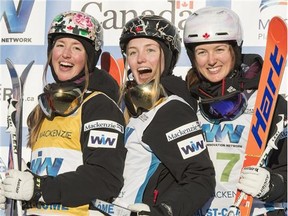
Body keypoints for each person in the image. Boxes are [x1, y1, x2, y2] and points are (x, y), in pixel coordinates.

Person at [0, 11, 126, 216]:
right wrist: (17, 185)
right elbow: (52, 170)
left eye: (76, 48)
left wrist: (39, 187)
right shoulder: (42, 109)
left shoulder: (99, 106)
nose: (65, 54)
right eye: (60, 45)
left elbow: (105, 177)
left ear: (89, 57)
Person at [95, 15, 216, 216]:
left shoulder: (172, 109)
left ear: (166, 57)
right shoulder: (130, 106)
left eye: (150, 50)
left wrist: (163, 211)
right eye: (133, 52)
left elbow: (201, 177)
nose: (140, 58)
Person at [183, 6, 287, 216]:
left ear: (234, 51)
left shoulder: (267, 101)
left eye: (219, 49)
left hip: (256, 211)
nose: (211, 60)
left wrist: (271, 185)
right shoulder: (188, 101)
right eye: (202, 52)